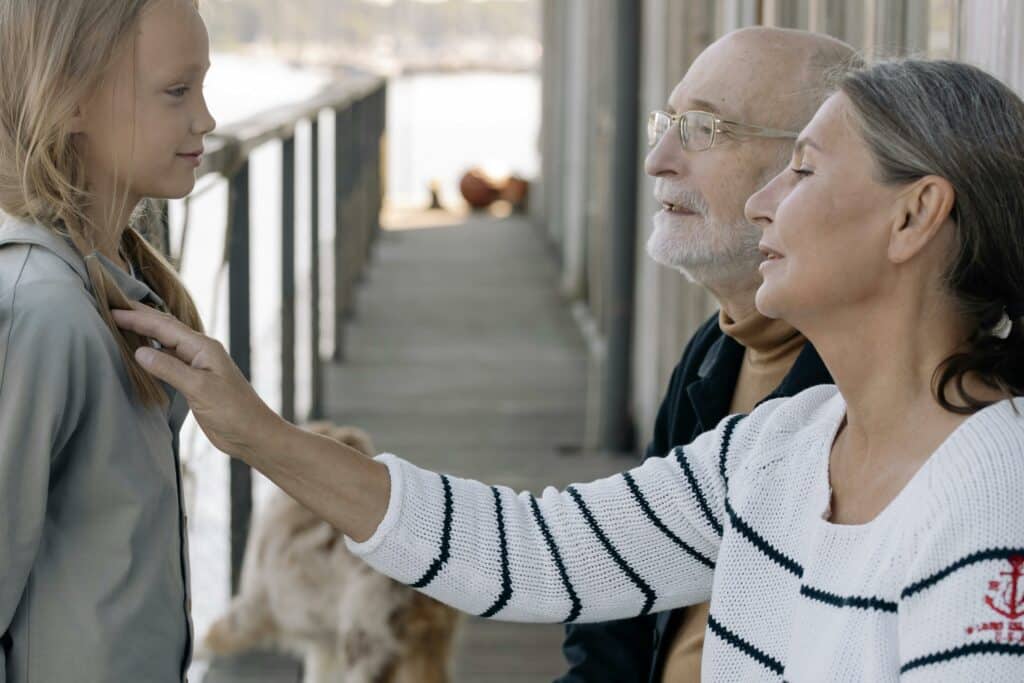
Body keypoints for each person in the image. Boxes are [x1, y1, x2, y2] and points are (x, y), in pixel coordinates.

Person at [115, 57, 1024, 680]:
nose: (758, 201)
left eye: (801, 170)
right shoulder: (779, 447)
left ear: (914, 217)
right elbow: (532, 551)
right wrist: (259, 434)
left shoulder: (992, 497)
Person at [562, 27, 855, 683]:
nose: (658, 159)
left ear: (809, 166)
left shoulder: (872, 377)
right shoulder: (714, 348)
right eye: (664, 123)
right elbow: (619, 578)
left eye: (702, 129)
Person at [0, 0, 215, 680]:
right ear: (71, 101)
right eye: (177, 91)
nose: (206, 119)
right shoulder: (40, 313)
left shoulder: (114, 284)